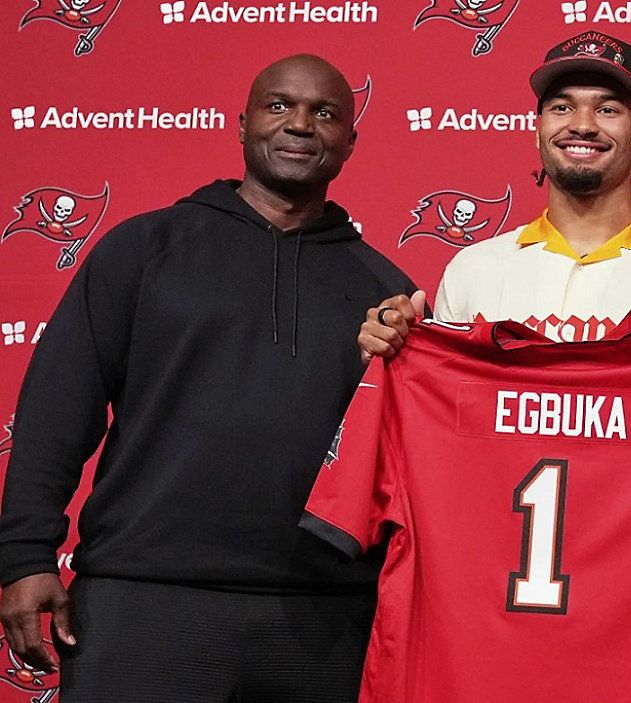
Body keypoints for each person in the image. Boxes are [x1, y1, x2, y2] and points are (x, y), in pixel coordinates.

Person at [0, 54, 413, 702]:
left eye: (324, 112)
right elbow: (57, 406)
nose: (301, 123)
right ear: (243, 122)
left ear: (350, 142)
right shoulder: (143, 249)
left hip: (323, 622)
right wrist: (24, 555)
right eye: (280, 105)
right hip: (143, 606)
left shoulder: (387, 293)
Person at [357, 29, 631, 381]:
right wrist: (394, 359)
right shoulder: (473, 271)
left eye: (608, 109)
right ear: (538, 129)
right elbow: (439, 412)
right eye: (562, 107)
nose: (582, 125)